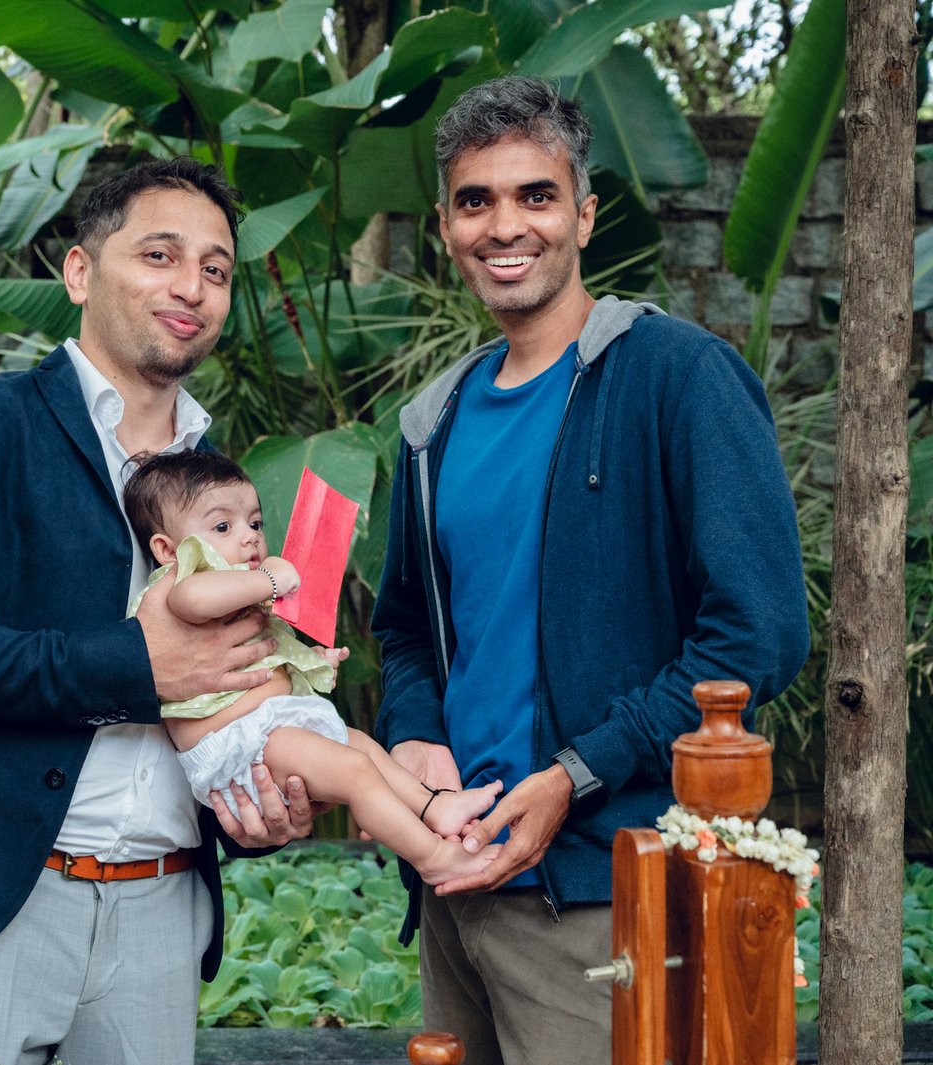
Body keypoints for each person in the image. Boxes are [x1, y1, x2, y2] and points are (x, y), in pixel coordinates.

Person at [369, 77, 809, 1065]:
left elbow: (759, 632)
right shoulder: (432, 421)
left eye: (536, 194)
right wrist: (414, 735)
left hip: (605, 888)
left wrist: (577, 773)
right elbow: (405, 629)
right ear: (444, 226)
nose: (504, 225)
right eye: (475, 200)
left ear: (583, 214)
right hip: (452, 882)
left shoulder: (677, 377)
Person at [0, 158, 316, 1065]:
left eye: (215, 268)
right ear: (80, 272)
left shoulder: (225, 484)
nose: (192, 286)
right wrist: (136, 667)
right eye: (160, 255)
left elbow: (226, 689)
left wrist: (256, 806)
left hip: (164, 909)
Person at [121, 449, 503, 883]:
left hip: (272, 727)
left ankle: (435, 805)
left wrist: (309, 660)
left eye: (255, 524)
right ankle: (432, 857)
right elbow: (194, 600)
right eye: (223, 527)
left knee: (361, 746)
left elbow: (266, 650)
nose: (249, 538)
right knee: (355, 770)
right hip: (236, 746)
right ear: (167, 549)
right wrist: (268, 579)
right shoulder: (183, 584)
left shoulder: (241, 594)